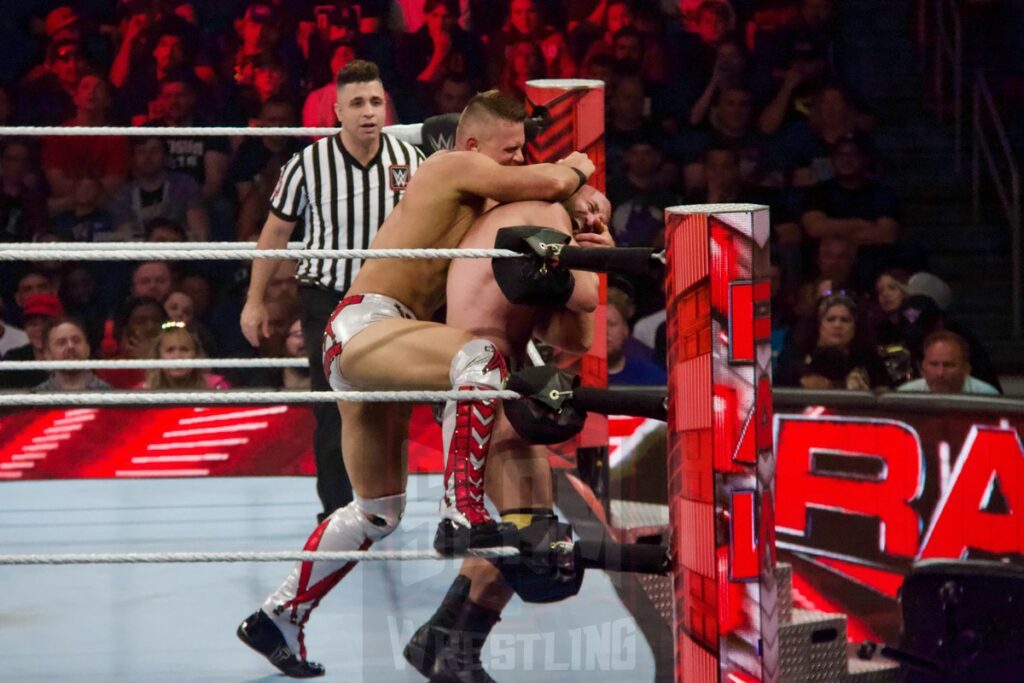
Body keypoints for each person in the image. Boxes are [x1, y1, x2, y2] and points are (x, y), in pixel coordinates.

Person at [236, 89, 595, 678]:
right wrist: (578, 173)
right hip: (367, 325)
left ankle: (277, 617)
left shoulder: (476, 212)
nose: (520, 161)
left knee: (375, 512)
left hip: (394, 348)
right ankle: (461, 510)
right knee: (479, 359)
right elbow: (553, 183)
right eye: (511, 151)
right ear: (472, 146)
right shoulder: (450, 166)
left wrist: (584, 212)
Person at [406, 185, 613, 682]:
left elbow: (575, 336)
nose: (591, 216)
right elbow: (583, 295)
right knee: (528, 533)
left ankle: (435, 641)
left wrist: (586, 262)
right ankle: (455, 656)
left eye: (602, 214)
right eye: (586, 206)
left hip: (498, 384)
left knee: (525, 528)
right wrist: (591, 260)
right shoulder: (532, 233)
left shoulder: (545, 256)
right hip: (484, 383)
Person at [240, 60, 425, 524]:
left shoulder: (412, 161)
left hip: (391, 297)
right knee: (332, 410)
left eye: (377, 102)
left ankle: (383, 507)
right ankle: (337, 512)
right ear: (337, 110)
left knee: (391, 408)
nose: (369, 112)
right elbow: (275, 234)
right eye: (358, 103)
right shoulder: (307, 164)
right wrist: (254, 300)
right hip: (327, 295)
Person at [897, 331, 1000, 395]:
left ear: (966, 369)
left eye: (948, 365)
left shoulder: (988, 396)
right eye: (933, 364)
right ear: (922, 368)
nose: (940, 373)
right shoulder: (904, 395)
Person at [140, 322, 229, 390]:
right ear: (158, 356)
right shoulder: (142, 392)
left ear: (196, 355)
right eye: (170, 350)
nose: (177, 356)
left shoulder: (216, 387)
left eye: (184, 349)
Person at [34, 319, 111, 392]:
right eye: (61, 342)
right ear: (47, 354)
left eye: (76, 341)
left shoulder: (109, 394)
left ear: (88, 349)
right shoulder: (35, 399)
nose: (71, 346)